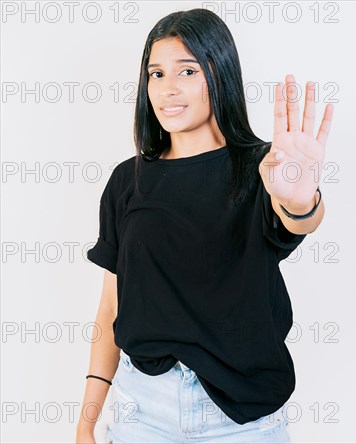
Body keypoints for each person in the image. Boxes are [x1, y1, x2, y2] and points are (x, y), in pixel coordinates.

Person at [75, 7, 333, 444]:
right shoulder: (127, 180)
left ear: (220, 74)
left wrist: (299, 198)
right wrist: (87, 420)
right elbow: (109, 311)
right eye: (155, 73)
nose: (167, 89)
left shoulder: (264, 168)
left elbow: (299, 218)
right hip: (144, 411)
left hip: (244, 418)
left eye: (187, 70)